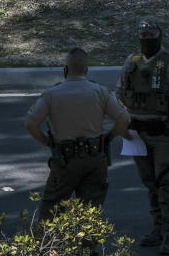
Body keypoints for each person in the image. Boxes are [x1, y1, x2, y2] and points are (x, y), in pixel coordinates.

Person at [116, 21, 169, 256]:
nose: (146, 39)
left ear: (159, 36)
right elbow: (119, 96)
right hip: (136, 133)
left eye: (151, 35)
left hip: (163, 133)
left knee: (164, 182)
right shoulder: (130, 62)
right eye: (143, 35)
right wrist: (122, 126)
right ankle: (158, 228)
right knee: (150, 183)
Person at [24, 47, 131, 222]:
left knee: (52, 210)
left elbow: (30, 122)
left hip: (65, 160)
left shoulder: (51, 94)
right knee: (90, 212)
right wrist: (109, 137)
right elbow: (124, 119)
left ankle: (50, 248)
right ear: (86, 70)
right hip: (95, 158)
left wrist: (46, 141)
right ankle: (88, 249)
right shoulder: (101, 91)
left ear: (65, 69)